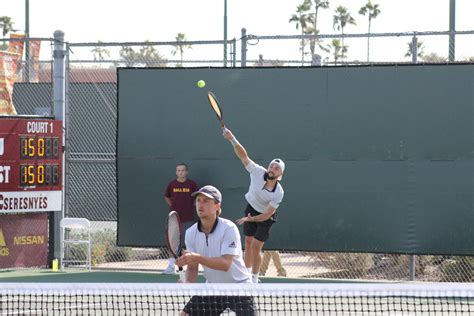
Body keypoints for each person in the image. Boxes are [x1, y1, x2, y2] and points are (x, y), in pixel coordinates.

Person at [176, 185, 254, 316]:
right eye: (198, 200)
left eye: (206, 201)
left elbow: (225, 264)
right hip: (213, 288)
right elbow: (193, 268)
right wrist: (188, 281)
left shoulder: (229, 228)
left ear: (217, 206)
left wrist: (196, 257)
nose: (200, 204)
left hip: (240, 288)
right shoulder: (191, 233)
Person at [223, 129, 285, 283]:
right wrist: (232, 139)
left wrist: (251, 220)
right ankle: (246, 276)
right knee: (248, 243)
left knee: (257, 246)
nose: (272, 169)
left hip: (266, 216)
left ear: (280, 175)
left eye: (277, 168)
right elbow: (243, 156)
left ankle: (255, 278)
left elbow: (266, 215)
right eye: (271, 166)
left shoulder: (279, 192)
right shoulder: (257, 171)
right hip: (251, 208)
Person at [163, 163, 198, 274]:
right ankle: (171, 266)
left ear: (186, 172)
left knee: (190, 243)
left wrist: (191, 206)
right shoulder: (172, 184)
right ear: (176, 172)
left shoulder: (192, 184)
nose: (181, 172)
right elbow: (166, 196)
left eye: (183, 170)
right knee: (172, 242)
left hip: (188, 218)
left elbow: (196, 198)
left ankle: (190, 268)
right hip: (174, 219)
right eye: (178, 170)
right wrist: (173, 205)